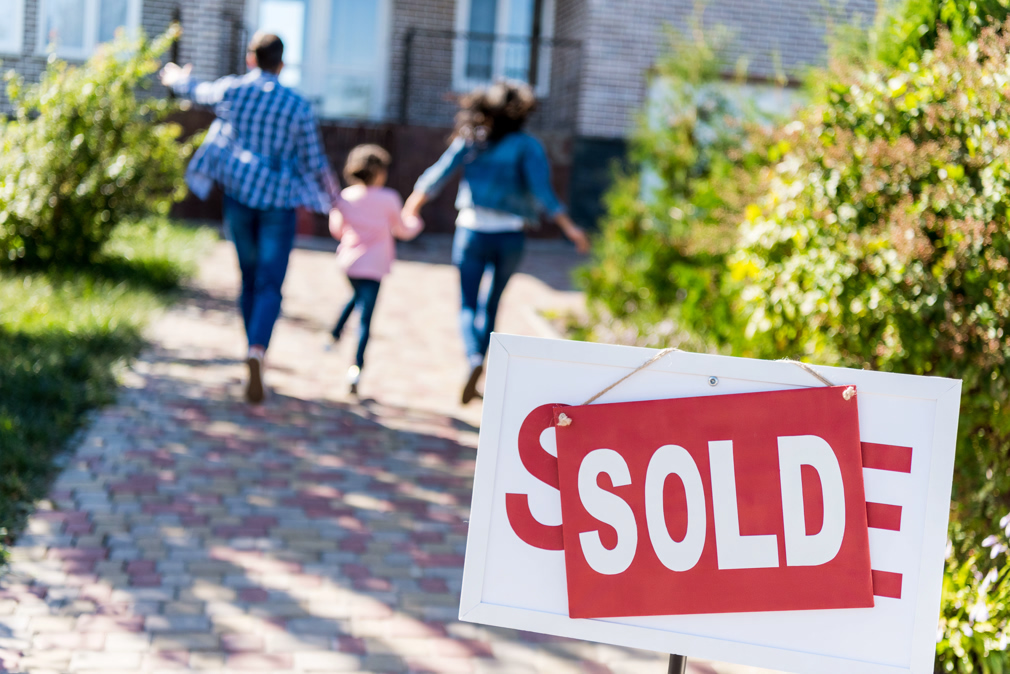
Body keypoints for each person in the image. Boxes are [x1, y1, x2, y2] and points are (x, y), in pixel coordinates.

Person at [160, 32, 340, 404]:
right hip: (278, 202)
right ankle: (258, 349)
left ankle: (251, 348)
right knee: (270, 284)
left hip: (239, 196)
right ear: (282, 63)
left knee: (248, 277)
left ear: (250, 58)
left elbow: (196, 91)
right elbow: (314, 161)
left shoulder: (234, 90)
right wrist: (338, 202)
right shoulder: (297, 105)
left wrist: (176, 77)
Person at [402, 81, 590, 404]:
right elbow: (544, 193)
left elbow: (439, 172)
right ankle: (480, 362)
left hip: (472, 231)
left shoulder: (472, 139)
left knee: (466, 303)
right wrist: (570, 228)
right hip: (510, 236)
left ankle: (473, 358)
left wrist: (412, 206)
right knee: (491, 304)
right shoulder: (528, 146)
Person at [329, 145, 423, 395]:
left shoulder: (344, 197)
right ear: (380, 172)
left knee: (359, 298)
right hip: (374, 265)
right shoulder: (389, 198)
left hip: (350, 263)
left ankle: (335, 332)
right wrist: (415, 219)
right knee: (365, 318)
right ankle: (356, 368)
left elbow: (336, 229)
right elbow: (403, 229)